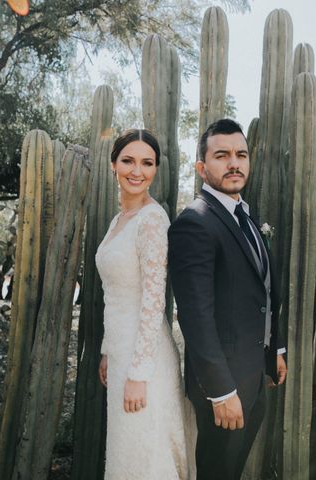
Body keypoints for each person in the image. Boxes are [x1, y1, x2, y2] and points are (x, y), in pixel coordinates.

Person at [168, 118, 288, 480]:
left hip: (255, 376)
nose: (234, 162)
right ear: (202, 168)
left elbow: (263, 290)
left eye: (241, 154)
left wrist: (276, 350)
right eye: (222, 155)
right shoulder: (195, 222)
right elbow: (195, 315)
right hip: (223, 386)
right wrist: (221, 392)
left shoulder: (247, 218)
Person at [96, 129, 190, 480]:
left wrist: (138, 375)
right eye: (128, 161)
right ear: (114, 165)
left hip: (145, 364)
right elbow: (115, 296)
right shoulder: (117, 221)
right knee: (127, 457)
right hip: (121, 355)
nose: (137, 171)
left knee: (146, 460)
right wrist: (108, 350)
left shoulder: (153, 220)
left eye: (147, 163)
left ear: (155, 170)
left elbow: (154, 301)